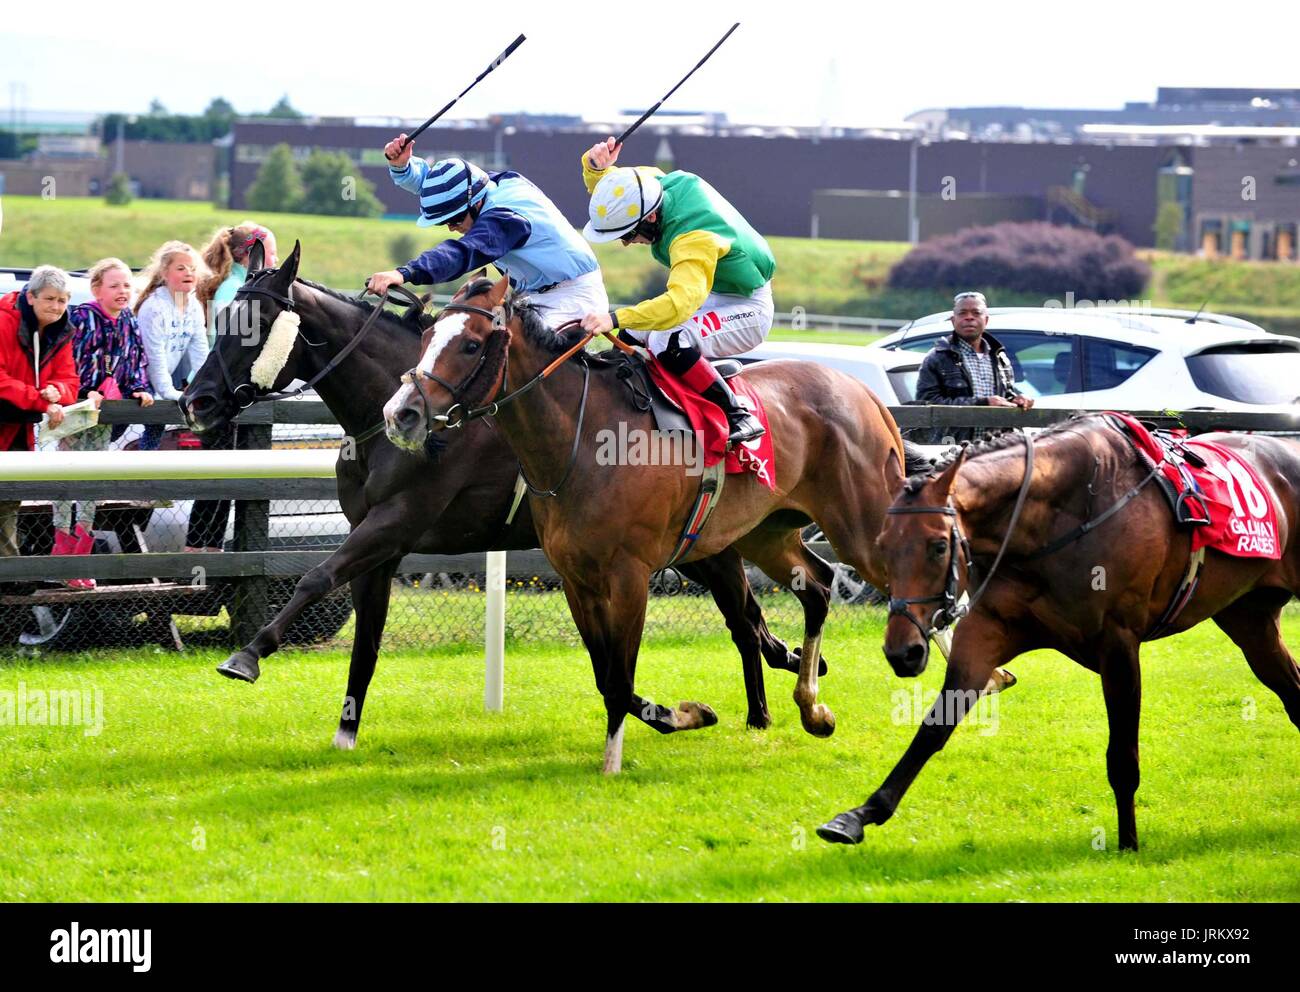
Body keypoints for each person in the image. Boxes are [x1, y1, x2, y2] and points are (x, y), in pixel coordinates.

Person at [577, 136, 774, 445]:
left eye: (629, 234)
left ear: (652, 216)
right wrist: (594, 165)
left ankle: (737, 414)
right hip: (711, 290)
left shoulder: (693, 239)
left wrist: (614, 318)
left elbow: (679, 305)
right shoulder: (655, 185)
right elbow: (613, 188)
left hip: (747, 306)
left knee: (667, 338)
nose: (627, 243)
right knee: (634, 335)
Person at [366, 135, 606, 326]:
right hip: (531, 295)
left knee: (510, 365)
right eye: (444, 223)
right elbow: (433, 183)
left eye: (456, 219)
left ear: (476, 203)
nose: (452, 227)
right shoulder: (488, 184)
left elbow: (463, 252)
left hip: (575, 297)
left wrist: (405, 273)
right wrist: (403, 168)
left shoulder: (505, 219)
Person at [190, 223, 278, 552]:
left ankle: (207, 554)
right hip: (222, 397)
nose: (277, 259)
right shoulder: (234, 290)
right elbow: (239, 347)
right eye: (272, 253)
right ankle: (198, 554)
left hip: (224, 396)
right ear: (250, 255)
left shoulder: (240, 286)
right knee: (217, 484)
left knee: (223, 484)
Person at [0, 266, 79, 561]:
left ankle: (9, 573)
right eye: (50, 299)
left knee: (8, 501)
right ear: (31, 297)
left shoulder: (62, 331)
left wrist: (55, 390)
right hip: (9, 423)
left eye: (62, 300)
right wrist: (40, 399)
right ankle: (10, 572)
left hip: (19, 430)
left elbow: (70, 380)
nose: (56, 307)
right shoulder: (3, 321)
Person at [913, 291, 1034, 444]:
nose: (969, 317)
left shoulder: (999, 357)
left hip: (993, 449)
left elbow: (1005, 396)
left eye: (976, 313)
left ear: (986, 320)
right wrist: (983, 403)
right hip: (951, 448)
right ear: (953, 320)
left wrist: (1018, 400)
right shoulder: (937, 357)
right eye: (962, 313)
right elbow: (926, 405)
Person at [135, 241, 208, 451]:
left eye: (192, 269)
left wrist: (204, 386)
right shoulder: (155, 308)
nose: (188, 273)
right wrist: (169, 392)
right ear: (164, 273)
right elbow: (154, 357)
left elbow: (200, 351)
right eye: (181, 268)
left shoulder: (194, 306)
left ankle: (141, 473)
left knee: (154, 431)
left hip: (162, 384)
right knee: (116, 429)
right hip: (139, 383)